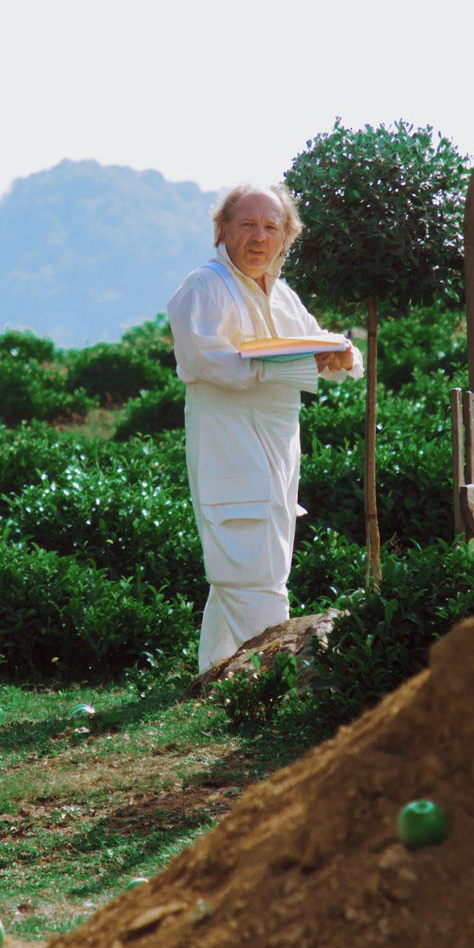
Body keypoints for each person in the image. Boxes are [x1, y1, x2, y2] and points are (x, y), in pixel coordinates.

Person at [165, 184, 356, 674]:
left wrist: (339, 354)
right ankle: (283, 678)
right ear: (222, 231)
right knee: (250, 563)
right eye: (247, 225)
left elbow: (320, 346)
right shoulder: (204, 287)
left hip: (278, 439)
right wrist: (286, 367)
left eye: (271, 227)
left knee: (257, 557)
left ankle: (216, 673)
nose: (259, 237)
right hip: (228, 439)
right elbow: (202, 360)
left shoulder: (284, 295)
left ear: (287, 237)